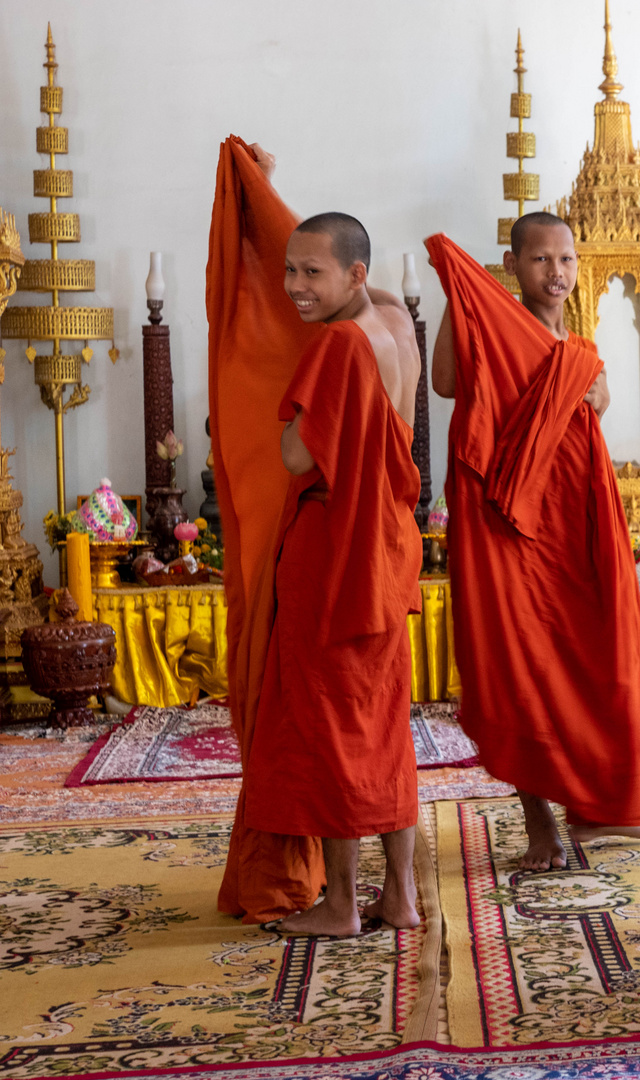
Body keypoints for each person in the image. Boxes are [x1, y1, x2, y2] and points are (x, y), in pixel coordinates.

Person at [215, 141, 424, 937]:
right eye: (289, 270)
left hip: (335, 545)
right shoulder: (394, 323)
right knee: (379, 719)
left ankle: (341, 902)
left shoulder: (338, 345)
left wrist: (279, 389)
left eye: (312, 274)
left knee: (334, 724)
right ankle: (398, 897)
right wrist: (262, 192)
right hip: (385, 544)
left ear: (354, 275)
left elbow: (297, 454)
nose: (294, 286)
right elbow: (329, 246)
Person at [425, 214, 640, 872]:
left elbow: (591, 415)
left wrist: (598, 392)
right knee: (519, 666)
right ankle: (539, 825)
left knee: (597, 652)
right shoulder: (496, 331)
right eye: (540, 260)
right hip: (506, 525)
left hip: (572, 520)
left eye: (566, 260)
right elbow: (446, 383)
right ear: (512, 262)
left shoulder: (579, 348)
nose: (555, 273)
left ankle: (597, 800)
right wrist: (461, 299)